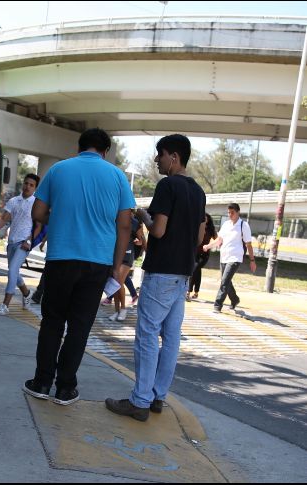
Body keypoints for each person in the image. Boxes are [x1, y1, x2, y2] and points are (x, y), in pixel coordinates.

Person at [23, 129, 135, 405]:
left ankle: (41, 382)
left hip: (61, 258)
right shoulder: (118, 177)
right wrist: (116, 264)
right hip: (97, 263)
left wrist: (60, 216)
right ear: (105, 151)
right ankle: (65, 388)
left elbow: (37, 213)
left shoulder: (58, 170)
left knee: (52, 322)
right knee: (79, 326)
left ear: (79, 147)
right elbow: (124, 226)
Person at [106, 134, 206, 422]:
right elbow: (199, 236)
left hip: (161, 271)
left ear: (173, 157)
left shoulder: (167, 185)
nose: (156, 160)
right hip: (183, 274)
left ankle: (139, 401)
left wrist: (142, 214)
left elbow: (158, 230)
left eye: (159, 155)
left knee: (147, 335)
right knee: (171, 337)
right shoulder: (198, 192)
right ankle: (158, 396)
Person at [0, 174, 41, 316]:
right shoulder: (14, 201)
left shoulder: (36, 203)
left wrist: (29, 241)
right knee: (14, 272)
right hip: (11, 242)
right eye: (26, 183)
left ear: (35, 188)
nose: (27, 187)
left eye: (31, 185)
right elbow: (5, 218)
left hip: (23, 243)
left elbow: (38, 226)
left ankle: (5, 305)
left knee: (12, 270)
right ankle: (27, 293)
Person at [204, 203, 256, 312]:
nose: (230, 215)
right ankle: (235, 299)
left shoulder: (243, 225)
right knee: (226, 281)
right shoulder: (226, 224)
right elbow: (219, 240)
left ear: (238, 212)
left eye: (232, 212)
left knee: (224, 281)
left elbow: (249, 244)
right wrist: (208, 246)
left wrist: (252, 260)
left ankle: (217, 305)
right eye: (229, 212)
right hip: (224, 257)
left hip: (235, 258)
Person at [109, 212, 146, 322]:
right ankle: (116, 311)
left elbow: (142, 241)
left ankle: (123, 309)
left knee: (118, 282)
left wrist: (138, 242)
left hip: (127, 255)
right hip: (114, 255)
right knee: (114, 283)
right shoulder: (114, 219)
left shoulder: (134, 223)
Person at [187, 213, 217, 300]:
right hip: (195, 253)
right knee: (197, 271)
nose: (204, 219)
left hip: (204, 255)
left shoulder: (211, 230)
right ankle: (196, 292)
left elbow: (217, 239)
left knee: (194, 269)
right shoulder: (198, 226)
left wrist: (209, 246)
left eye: (206, 218)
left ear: (208, 219)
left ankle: (188, 292)